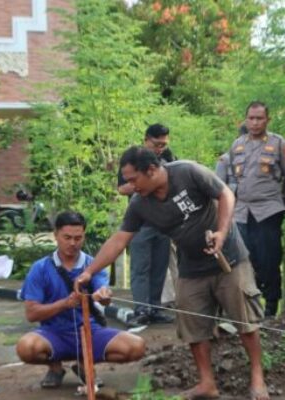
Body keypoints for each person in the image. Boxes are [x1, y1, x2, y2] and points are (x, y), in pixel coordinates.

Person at [77, 147, 269, 400]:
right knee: (193, 326)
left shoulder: (188, 172)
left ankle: (257, 377)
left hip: (229, 259)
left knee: (245, 319)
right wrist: (89, 271)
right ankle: (207, 383)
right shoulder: (140, 204)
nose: (131, 186)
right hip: (191, 267)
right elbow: (119, 240)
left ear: (152, 170)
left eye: (134, 179)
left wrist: (222, 233)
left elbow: (226, 195)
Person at [15, 211, 146, 389]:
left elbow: (102, 290)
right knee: (26, 347)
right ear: (56, 235)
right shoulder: (40, 268)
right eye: (67, 237)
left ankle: (84, 365)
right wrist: (65, 304)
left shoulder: (94, 265)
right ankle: (55, 368)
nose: (72, 243)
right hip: (54, 334)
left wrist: (104, 296)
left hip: (90, 331)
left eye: (78, 238)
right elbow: (31, 313)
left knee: (136, 347)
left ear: (84, 236)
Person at [227, 101, 285, 317]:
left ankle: (270, 306)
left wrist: (284, 205)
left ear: (267, 120)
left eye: (259, 118)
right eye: (251, 118)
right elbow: (231, 178)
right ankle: (251, 305)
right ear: (245, 119)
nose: (255, 122)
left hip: (268, 211)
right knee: (246, 260)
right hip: (242, 212)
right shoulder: (237, 145)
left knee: (269, 259)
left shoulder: (279, 144)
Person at [117, 124, 176, 325]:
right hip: (141, 222)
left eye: (163, 144)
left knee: (160, 267)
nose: (160, 148)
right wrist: (143, 185)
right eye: (156, 144)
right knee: (140, 268)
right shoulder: (133, 159)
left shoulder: (168, 156)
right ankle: (142, 309)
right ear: (146, 140)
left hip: (164, 222)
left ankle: (155, 308)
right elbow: (122, 188)